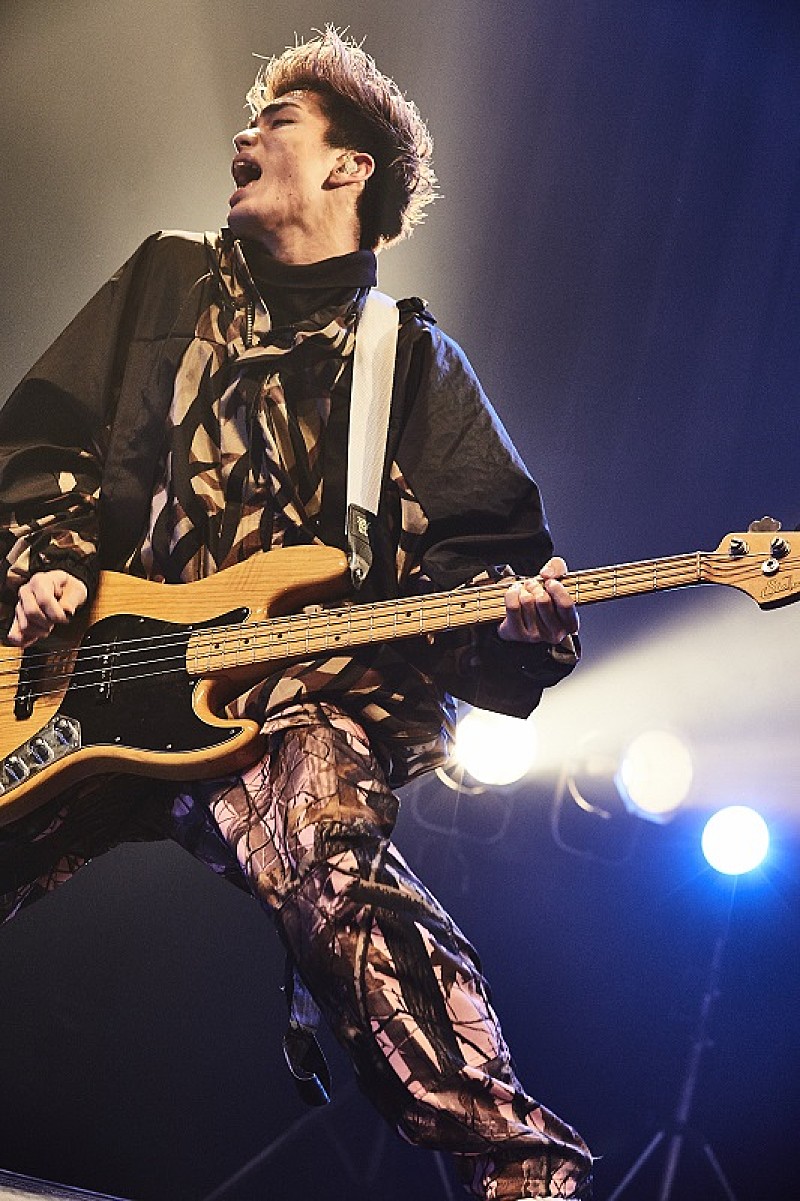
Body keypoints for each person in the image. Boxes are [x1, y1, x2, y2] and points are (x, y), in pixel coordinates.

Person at [0, 28, 592, 1201]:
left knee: (338, 873)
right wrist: (48, 561)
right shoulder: (165, 279)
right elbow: (45, 431)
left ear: (346, 166)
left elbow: (489, 564)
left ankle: (522, 1168)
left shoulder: (410, 363)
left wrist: (519, 628)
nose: (245, 132)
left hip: (280, 697)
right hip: (84, 671)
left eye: (277, 118)